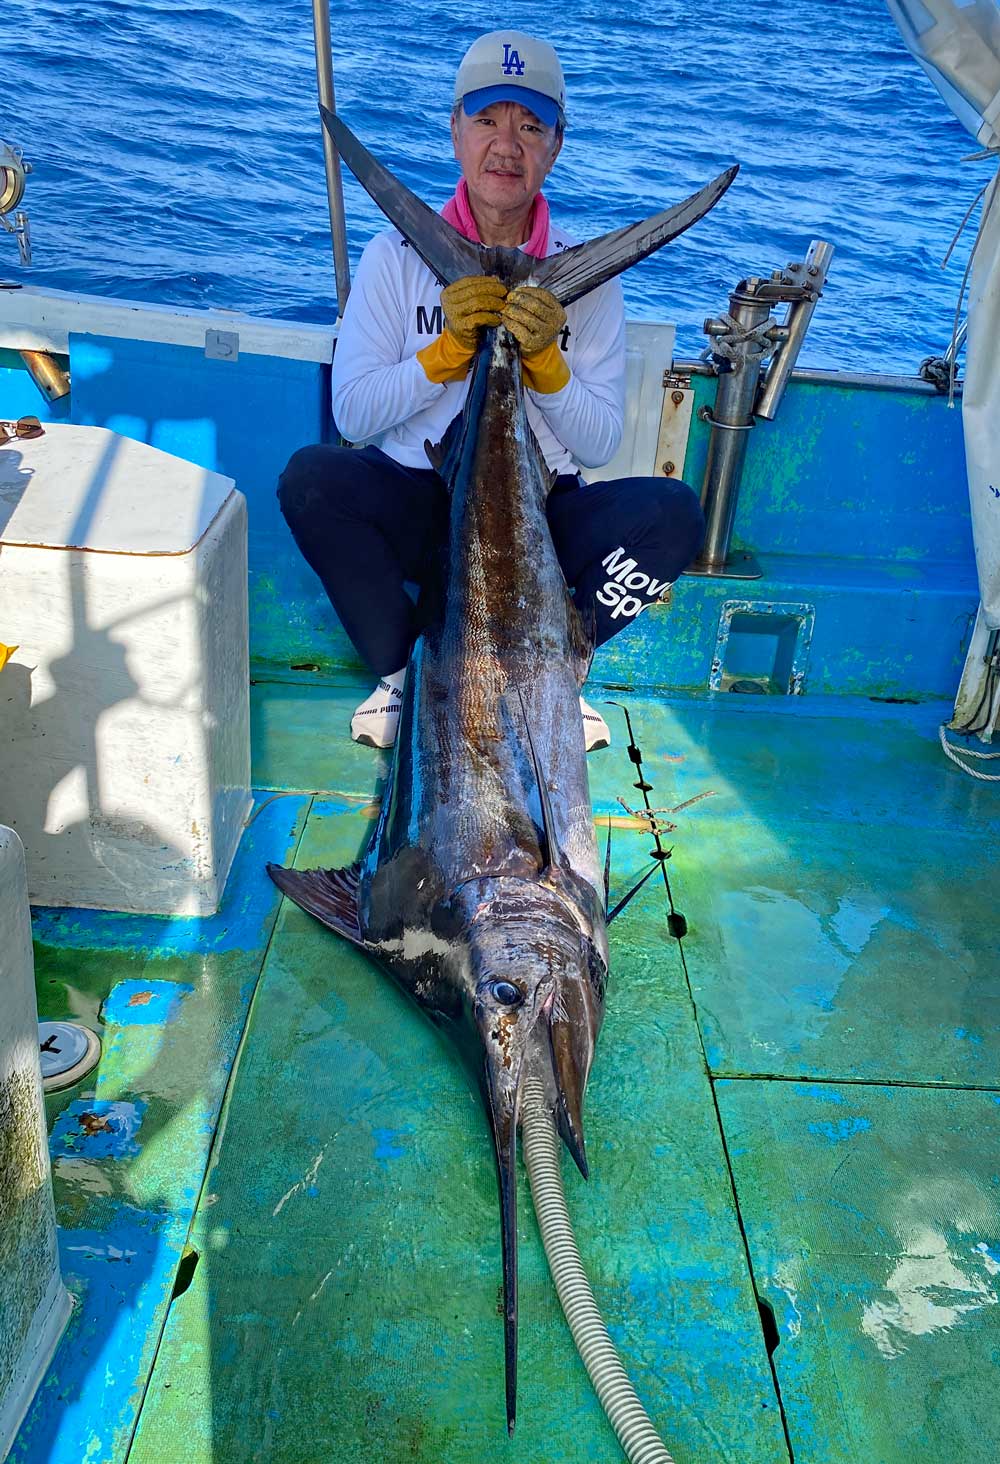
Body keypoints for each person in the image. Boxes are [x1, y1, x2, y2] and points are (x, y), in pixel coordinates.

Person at [278, 29, 705, 751]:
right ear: (455, 130)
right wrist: (444, 355)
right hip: (419, 505)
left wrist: (545, 363)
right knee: (312, 480)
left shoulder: (588, 281)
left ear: (556, 145)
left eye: (530, 126)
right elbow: (352, 415)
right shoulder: (394, 257)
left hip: (540, 518)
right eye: (488, 120)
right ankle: (405, 677)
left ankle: (557, 668)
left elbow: (598, 440)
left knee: (674, 516)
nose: (507, 146)